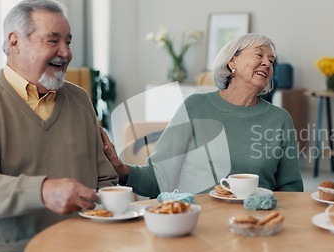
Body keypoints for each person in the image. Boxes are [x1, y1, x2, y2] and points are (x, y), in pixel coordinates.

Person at [0, 0, 117, 252]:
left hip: (82, 241)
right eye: (53, 40)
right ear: (14, 42)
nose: (65, 53)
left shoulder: (80, 98)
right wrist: (42, 191)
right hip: (9, 250)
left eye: (68, 41)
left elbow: (105, 179)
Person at [101, 33, 304, 198]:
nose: (267, 64)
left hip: (254, 223)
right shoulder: (196, 107)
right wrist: (122, 170)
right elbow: (160, 176)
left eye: (271, 60)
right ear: (232, 61)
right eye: (259, 55)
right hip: (199, 222)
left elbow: (291, 189)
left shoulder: (280, 119)